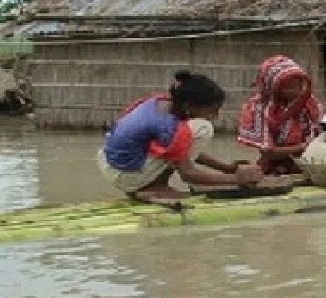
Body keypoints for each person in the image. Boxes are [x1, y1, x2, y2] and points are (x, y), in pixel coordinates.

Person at [97, 70, 263, 202]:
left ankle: (147, 184)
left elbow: (179, 151)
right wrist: (237, 179)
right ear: (189, 106)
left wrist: (225, 168)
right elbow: (188, 173)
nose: (215, 116)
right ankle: (152, 187)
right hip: (126, 174)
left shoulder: (160, 101)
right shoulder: (170, 128)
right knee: (204, 128)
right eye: (212, 110)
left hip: (111, 164)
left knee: (190, 133)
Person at [237, 55, 324, 175]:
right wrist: (302, 147)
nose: (295, 91)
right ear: (274, 87)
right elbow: (267, 152)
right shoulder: (260, 109)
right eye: (288, 87)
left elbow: (320, 135)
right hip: (272, 165)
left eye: (297, 85)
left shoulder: (309, 104)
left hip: (307, 161)